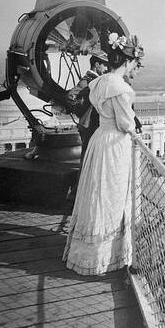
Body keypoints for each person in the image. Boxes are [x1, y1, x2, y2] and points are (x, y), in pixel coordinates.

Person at [63, 33, 144, 275]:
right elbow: (125, 123)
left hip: (99, 139)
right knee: (111, 195)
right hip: (114, 145)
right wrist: (136, 132)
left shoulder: (98, 83)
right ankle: (106, 256)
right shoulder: (121, 89)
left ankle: (89, 252)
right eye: (135, 64)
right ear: (128, 62)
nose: (135, 69)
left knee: (96, 192)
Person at [65, 49, 109, 163]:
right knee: (86, 157)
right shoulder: (87, 81)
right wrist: (82, 112)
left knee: (91, 156)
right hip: (87, 125)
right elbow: (70, 97)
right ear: (97, 65)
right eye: (104, 66)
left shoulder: (94, 80)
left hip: (91, 124)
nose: (106, 69)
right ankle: (82, 179)